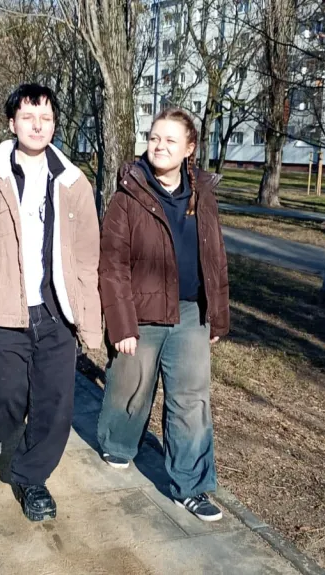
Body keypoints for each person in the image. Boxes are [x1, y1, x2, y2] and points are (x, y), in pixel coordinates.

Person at [0, 83, 101, 522]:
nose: (37, 125)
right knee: (7, 394)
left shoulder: (73, 183)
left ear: (55, 125)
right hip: (3, 310)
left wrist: (90, 323)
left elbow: (87, 261)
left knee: (55, 406)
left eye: (46, 118)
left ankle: (32, 479)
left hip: (56, 314)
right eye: (28, 117)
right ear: (12, 123)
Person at [95, 107, 230, 522]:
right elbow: (112, 265)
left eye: (170, 140)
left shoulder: (203, 195)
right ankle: (118, 443)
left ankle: (191, 486)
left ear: (189, 148)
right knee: (131, 388)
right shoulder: (128, 195)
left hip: (191, 313)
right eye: (154, 138)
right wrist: (122, 324)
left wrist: (217, 314)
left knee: (191, 401)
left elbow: (215, 256)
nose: (159, 146)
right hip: (141, 313)